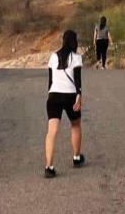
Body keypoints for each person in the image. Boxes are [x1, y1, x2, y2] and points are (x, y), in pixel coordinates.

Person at [44, 30, 85, 178]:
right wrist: (79, 96)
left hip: (53, 96)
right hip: (70, 95)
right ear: (74, 42)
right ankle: (76, 157)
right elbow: (78, 80)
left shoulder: (53, 57)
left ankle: (49, 166)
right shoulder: (77, 58)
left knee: (52, 132)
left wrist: (51, 95)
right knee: (75, 125)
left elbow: (50, 81)